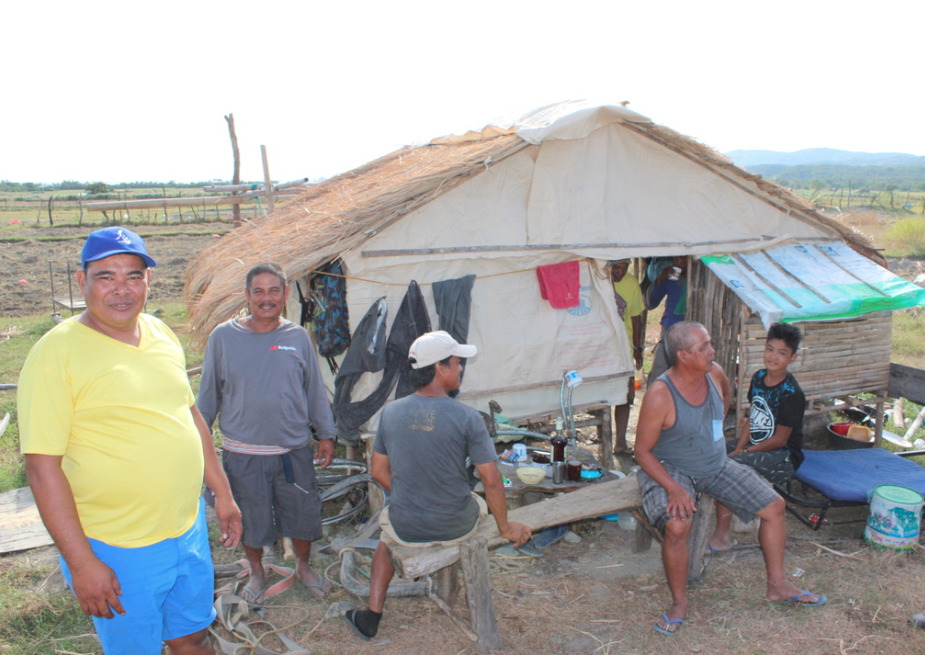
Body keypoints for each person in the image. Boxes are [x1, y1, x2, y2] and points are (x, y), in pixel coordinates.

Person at [18, 226, 242, 655]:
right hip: (118, 547)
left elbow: (189, 415)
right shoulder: (56, 354)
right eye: (106, 277)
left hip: (185, 527)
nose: (122, 290)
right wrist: (83, 564)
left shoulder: (160, 333)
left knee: (192, 634)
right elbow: (41, 468)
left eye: (133, 276)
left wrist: (222, 493)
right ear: (82, 282)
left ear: (148, 281)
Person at [634, 320, 826, 637]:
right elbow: (642, 452)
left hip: (715, 463)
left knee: (774, 507)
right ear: (683, 356)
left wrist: (712, 426)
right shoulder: (660, 394)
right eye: (704, 347)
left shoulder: (714, 373)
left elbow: (726, 394)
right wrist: (673, 488)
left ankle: (777, 586)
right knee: (677, 525)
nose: (712, 351)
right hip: (671, 467)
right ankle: (680, 604)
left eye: (709, 344)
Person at [344, 331, 532, 641]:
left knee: (385, 541)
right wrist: (505, 526)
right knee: (474, 499)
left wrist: (408, 493)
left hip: (407, 525)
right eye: (457, 363)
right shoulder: (467, 417)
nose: (460, 369)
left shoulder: (391, 413)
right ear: (439, 368)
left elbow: (378, 471)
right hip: (454, 524)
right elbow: (492, 480)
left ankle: (371, 617)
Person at [197, 262, 336, 603]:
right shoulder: (223, 338)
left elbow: (314, 389)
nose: (266, 298)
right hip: (243, 453)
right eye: (258, 291)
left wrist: (327, 433)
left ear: (285, 295)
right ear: (247, 296)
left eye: (274, 291)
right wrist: (195, 448)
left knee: (303, 516)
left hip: (293, 451)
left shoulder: (297, 337)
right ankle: (257, 573)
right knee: (250, 521)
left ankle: (303, 567)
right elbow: (208, 397)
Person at [707, 323, 806, 553]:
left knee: (727, 467)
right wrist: (739, 447)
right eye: (769, 349)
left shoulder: (792, 393)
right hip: (756, 446)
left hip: (784, 456)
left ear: (793, 357)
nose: (773, 356)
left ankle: (722, 537)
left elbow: (780, 440)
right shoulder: (759, 378)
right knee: (716, 454)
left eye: (782, 353)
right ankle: (727, 523)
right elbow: (753, 418)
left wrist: (743, 453)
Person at [610, 259, 645, 455]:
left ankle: (620, 442)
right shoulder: (598, 281)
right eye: (616, 267)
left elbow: (635, 318)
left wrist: (638, 348)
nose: (620, 272)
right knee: (604, 394)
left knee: (626, 395)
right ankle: (604, 432)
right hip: (602, 348)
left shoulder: (631, 284)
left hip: (624, 347)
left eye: (624, 267)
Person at [645, 255, 688, 384]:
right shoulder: (671, 278)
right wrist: (659, 280)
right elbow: (650, 303)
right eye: (678, 258)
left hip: (692, 334)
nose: (681, 261)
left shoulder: (703, 279)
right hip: (670, 330)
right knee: (661, 371)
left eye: (685, 258)